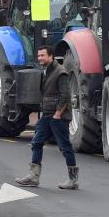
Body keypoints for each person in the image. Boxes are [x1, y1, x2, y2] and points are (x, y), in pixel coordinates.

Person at [15, 45, 78, 190]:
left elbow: (65, 95)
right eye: (38, 56)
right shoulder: (46, 71)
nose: (39, 58)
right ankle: (33, 177)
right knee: (36, 142)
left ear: (51, 56)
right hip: (47, 115)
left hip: (57, 117)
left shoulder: (60, 72)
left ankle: (73, 180)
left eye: (42, 55)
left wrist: (58, 114)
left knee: (65, 147)